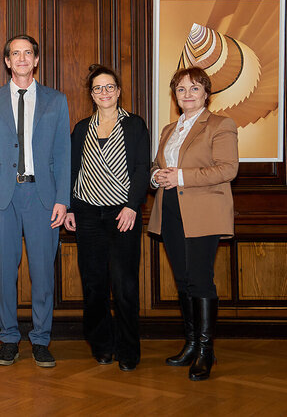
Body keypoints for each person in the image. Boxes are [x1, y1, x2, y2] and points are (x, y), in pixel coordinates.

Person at [0, 34, 70, 368]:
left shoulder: (56, 101)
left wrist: (63, 199)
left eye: (28, 53)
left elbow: (62, 151)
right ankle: (9, 338)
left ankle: (41, 340)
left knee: (43, 272)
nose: (22, 58)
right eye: (15, 53)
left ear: (37, 59)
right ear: (7, 60)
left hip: (43, 197)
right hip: (2, 198)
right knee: (4, 271)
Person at [149, 66, 238, 381]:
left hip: (203, 211)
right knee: (184, 280)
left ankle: (205, 351)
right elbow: (158, 165)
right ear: (175, 95)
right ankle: (190, 345)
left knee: (200, 279)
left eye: (194, 88)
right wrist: (156, 176)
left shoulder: (220, 124)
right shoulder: (169, 129)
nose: (187, 94)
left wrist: (180, 176)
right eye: (181, 89)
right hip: (170, 209)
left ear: (206, 93)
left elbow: (228, 169)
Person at [63, 64, 150, 371]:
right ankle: (102, 344)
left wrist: (132, 205)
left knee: (124, 285)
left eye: (109, 87)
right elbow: (73, 171)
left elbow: (142, 169)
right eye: (98, 88)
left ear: (119, 91)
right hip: (86, 213)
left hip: (122, 213)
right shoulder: (81, 128)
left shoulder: (134, 125)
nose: (104, 93)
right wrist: (70, 208)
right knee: (94, 284)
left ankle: (128, 349)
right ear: (91, 94)